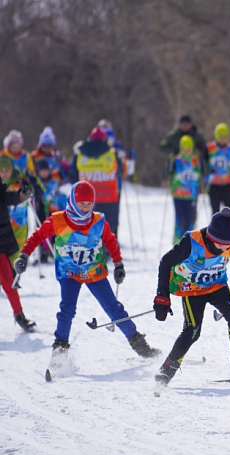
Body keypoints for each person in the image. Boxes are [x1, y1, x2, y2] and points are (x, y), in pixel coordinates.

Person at [14, 181, 160, 360]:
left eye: (89, 204)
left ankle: (139, 344)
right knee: (67, 309)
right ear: (74, 202)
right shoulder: (58, 220)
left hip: (93, 271)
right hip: (69, 272)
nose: (85, 208)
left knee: (113, 307)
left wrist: (119, 264)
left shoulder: (98, 221)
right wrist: (24, 256)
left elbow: (111, 241)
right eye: (81, 204)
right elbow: (37, 236)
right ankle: (60, 350)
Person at [152, 207, 230, 387]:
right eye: (220, 244)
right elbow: (165, 262)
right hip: (192, 289)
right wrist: (162, 296)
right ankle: (167, 369)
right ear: (211, 237)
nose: (225, 248)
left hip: (217, 286)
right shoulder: (192, 242)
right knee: (192, 330)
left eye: (228, 245)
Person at [68, 127, 124, 237]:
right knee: (106, 232)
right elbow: (120, 171)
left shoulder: (80, 155)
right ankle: (104, 251)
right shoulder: (112, 154)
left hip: (86, 202)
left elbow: (72, 176)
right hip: (108, 200)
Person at [0, 156, 35, 331]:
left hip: (3, 241)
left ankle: (19, 315)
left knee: (8, 280)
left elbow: (7, 197)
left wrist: (21, 195)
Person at [168, 135, 204, 243]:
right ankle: (177, 241)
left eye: (189, 147)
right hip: (178, 194)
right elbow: (169, 174)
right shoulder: (176, 159)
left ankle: (189, 242)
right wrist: (169, 167)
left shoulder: (196, 160)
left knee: (189, 219)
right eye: (184, 147)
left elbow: (202, 172)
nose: (187, 150)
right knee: (179, 218)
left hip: (191, 195)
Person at [206, 123, 230, 214]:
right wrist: (208, 171)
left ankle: (228, 228)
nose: (223, 138)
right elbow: (203, 163)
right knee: (215, 211)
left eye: (225, 136)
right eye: (221, 136)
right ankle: (214, 228)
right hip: (214, 184)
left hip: (227, 184)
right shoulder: (210, 148)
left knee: (228, 211)